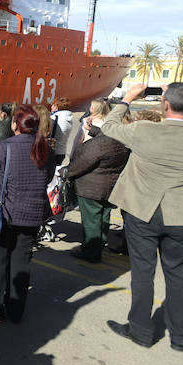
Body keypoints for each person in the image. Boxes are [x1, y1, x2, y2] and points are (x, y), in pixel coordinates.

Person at [103, 83, 183, 351]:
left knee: (142, 273)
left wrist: (128, 98)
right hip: (179, 215)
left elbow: (109, 126)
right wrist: (182, 102)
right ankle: (180, 337)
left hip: (142, 211)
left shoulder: (144, 131)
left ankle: (141, 330)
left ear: (164, 104)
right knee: (179, 275)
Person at [0, 104, 55, 323]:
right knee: (21, 262)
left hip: (4, 213)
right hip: (31, 215)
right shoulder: (45, 150)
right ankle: (16, 308)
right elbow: (46, 179)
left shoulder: (3, 147)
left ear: (14, 124)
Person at [66, 100, 130, 262]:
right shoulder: (121, 141)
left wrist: (67, 173)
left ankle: (91, 252)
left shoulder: (97, 145)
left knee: (91, 221)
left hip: (91, 189)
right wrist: (91, 129)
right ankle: (99, 244)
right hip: (111, 186)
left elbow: (80, 164)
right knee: (104, 218)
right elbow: (106, 135)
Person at [50, 97, 73, 165]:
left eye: (53, 105)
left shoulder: (55, 118)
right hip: (62, 151)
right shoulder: (69, 118)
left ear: (57, 107)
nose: (51, 107)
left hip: (53, 151)